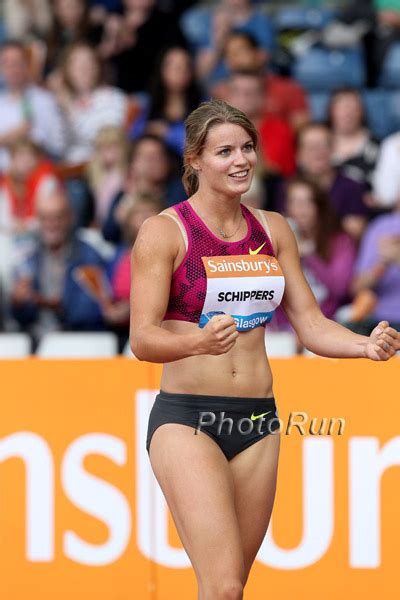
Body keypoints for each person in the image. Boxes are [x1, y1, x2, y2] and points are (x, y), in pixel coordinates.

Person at [129, 99, 400, 599]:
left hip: (257, 422)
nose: (241, 160)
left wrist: (366, 346)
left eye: (248, 147)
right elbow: (142, 338)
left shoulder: (274, 229)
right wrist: (198, 341)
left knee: (230, 588)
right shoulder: (165, 232)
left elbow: (311, 324)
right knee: (224, 586)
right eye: (224, 151)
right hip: (187, 418)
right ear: (194, 161)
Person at [10, 189, 106, 339]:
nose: (51, 224)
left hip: (78, 340)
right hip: (36, 340)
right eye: (45, 218)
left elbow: (95, 309)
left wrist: (57, 305)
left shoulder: (89, 256)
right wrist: (18, 303)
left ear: (70, 217)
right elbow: (20, 317)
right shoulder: (28, 256)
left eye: (58, 217)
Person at [0, 40, 67, 172]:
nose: (12, 69)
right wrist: (13, 134)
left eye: (17, 63)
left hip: (39, 175)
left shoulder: (45, 100)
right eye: (6, 64)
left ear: (26, 65)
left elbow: (59, 146)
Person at [327, 87, 380, 189]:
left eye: (353, 108)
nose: (348, 114)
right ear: (331, 111)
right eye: (342, 108)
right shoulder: (318, 143)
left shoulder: (379, 147)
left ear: (362, 112)